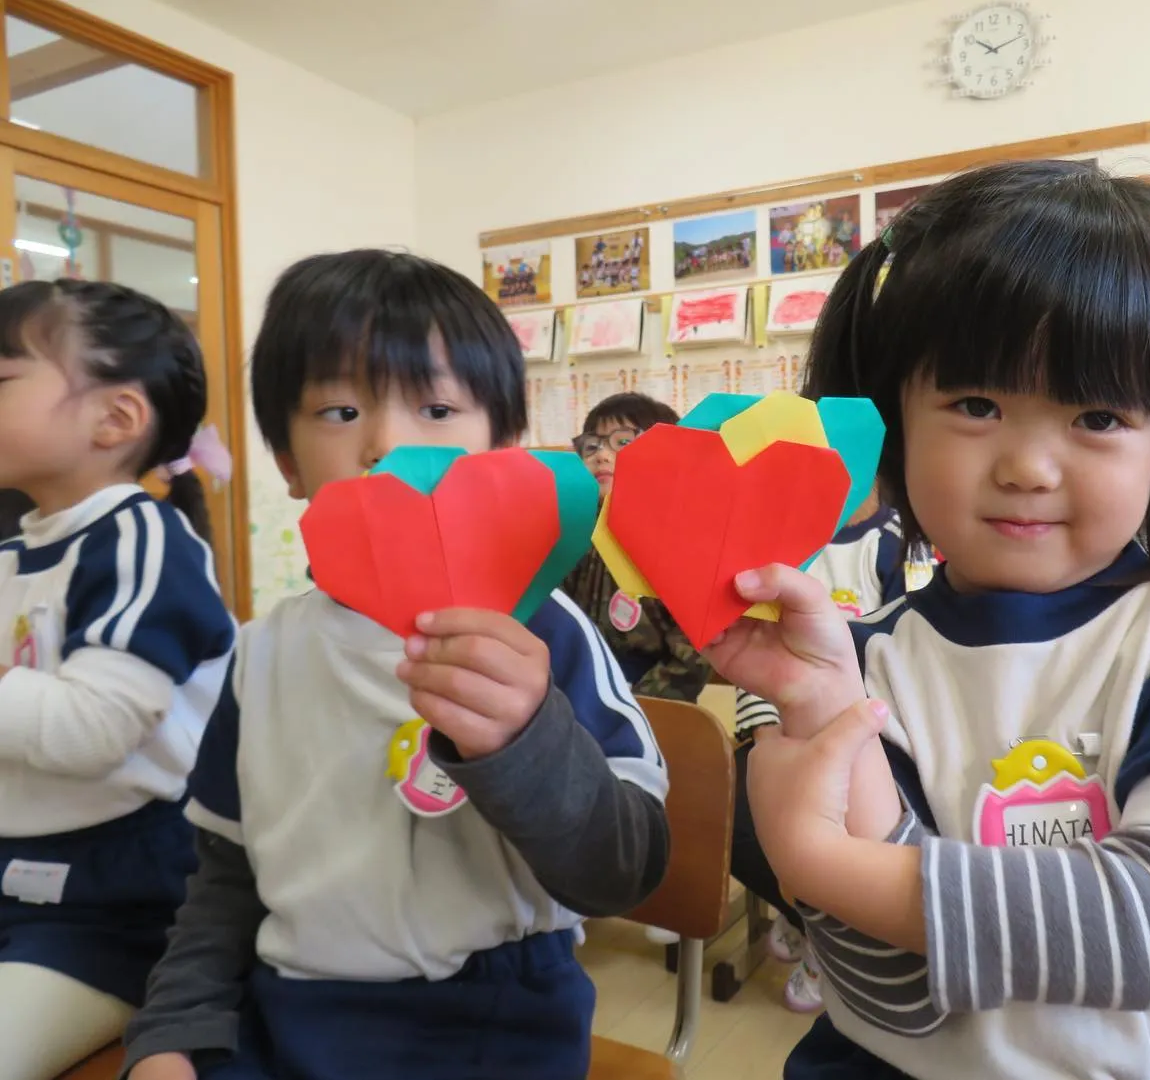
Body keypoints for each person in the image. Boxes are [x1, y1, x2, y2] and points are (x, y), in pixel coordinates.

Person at [705, 161, 1150, 1080]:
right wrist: (813, 723)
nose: (1029, 467)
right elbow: (895, 1000)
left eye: (1096, 414)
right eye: (975, 404)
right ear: (893, 422)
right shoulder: (869, 654)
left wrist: (820, 860)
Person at [122, 251, 669, 1080]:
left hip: (496, 1021)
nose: (385, 443)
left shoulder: (543, 634)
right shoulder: (263, 652)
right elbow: (225, 882)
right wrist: (171, 1031)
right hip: (290, 1014)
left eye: (437, 406)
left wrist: (525, 738)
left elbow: (625, 867)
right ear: (289, 463)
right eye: (341, 410)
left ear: (502, 452)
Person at [0, 279, 235, 1080]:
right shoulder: (16, 549)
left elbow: (90, 729)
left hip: (117, 904)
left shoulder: (140, 538)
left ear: (116, 418)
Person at [730, 488, 931, 1013]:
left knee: (844, 825)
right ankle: (809, 916)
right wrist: (763, 735)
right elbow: (749, 646)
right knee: (737, 811)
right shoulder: (774, 548)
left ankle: (829, 931)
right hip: (782, 728)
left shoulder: (894, 545)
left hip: (868, 737)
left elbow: (909, 649)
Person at [564, 392, 713, 705]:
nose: (601, 455)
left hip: (652, 706)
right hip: (580, 695)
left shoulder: (683, 543)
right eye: (592, 445)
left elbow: (693, 654)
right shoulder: (578, 534)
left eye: (623, 443)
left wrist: (631, 706)